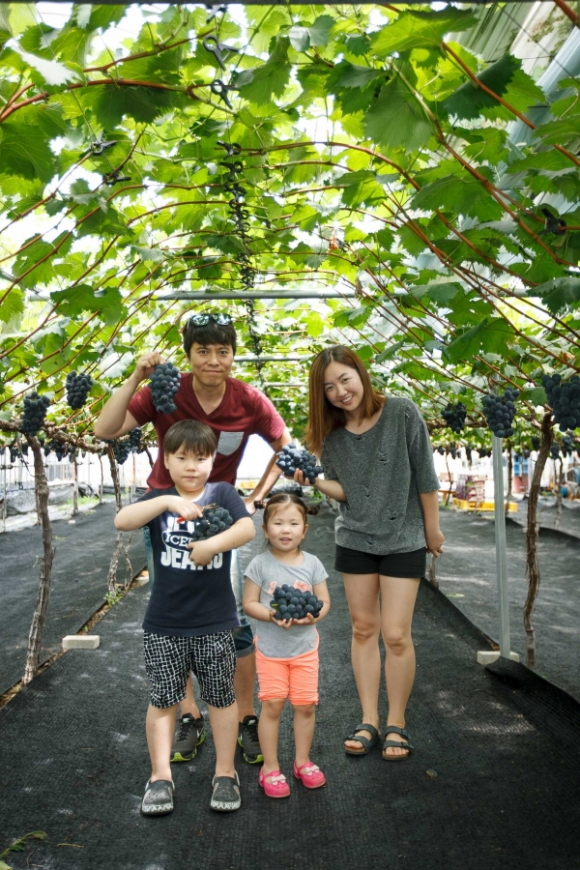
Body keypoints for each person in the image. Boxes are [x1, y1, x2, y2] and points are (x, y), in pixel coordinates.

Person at [95, 313, 292, 764]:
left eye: (223, 351)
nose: (213, 360)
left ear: (233, 355)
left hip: (219, 518)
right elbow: (105, 430)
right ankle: (189, 714)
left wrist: (256, 497)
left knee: (233, 619)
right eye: (203, 351)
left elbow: (288, 447)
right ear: (188, 355)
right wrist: (136, 377)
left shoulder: (249, 400)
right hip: (165, 514)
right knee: (174, 614)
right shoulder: (166, 391)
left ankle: (244, 715)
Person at [301, 346, 444, 761]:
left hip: (404, 536)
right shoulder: (331, 435)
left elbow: (425, 474)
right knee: (363, 629)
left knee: (396, 633)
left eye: (345, 379)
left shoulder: (401, 412)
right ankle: (369, 720)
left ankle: (397, 721)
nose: (340, 391)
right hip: (355, 539)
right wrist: (314, 480)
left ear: (360, 374)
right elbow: (344, 490)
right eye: (329, 387)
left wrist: (432, 528)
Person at [114, 420, 256, 814]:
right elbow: (122, 521)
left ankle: (225, 772)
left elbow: (246, 528)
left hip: (215, 621)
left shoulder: (222, 493)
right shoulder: (157, 498)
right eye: (181, 458)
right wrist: (166, 503)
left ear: (212, 461)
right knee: (163, 699)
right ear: (167, 460)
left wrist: (212, 544)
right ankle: (160, 776)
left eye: (201, 458)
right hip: (165, 622)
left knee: (221, 697)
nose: (192, 466)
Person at [242, 493, 330, 798]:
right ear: (265, 529)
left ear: (304, 530)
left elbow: (324, 601)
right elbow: (249, 603)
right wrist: (270, 614)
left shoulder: (313, 563)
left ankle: (302, 762)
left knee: (305, 706)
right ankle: (270, 767)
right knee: (273, 705)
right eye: (278, 523)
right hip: (271, 651)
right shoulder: (259, 564)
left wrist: (313, 615)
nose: (285, 529)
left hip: (305, 650)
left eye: (293, 523)